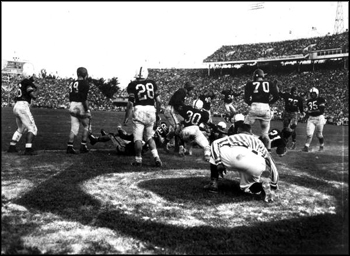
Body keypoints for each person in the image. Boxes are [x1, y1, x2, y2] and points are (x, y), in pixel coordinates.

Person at [204, 123, 279, 203]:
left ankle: (213, 183)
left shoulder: (235, 136)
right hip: (258, 164)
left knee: (215, 150)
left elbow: (215, 143)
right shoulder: (259, 142)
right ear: (251, 132)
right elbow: (271, 163)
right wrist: (274, 184)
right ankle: (262, 186)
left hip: (238, 157)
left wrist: (218, 162)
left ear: (238, 131)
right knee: (247, 187)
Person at [123, 66, 162, 167]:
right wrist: (157, 114)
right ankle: (156, 157)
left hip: (139, 110)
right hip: (151, 110)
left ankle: (138, 160)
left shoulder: (132, 84)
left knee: (138, 138)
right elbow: (159, 101)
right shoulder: (152, 83)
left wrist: (127, 117)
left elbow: (130, 104)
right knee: (149, 137)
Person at [243, 68, 280, 151]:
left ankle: (246, 146)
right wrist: (269, 102)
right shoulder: (269, 83)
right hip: (266, 108)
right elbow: (277, 96)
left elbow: (246, 98)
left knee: (245, 128)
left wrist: (251, 103)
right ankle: (268, 150)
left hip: (254, 106)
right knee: (265, 133)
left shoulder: (250, 83)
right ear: (262, 76)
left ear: (255, 76)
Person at [7, 63, 38, 155]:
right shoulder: (27, 82)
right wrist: (37, 91)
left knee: (21, 128)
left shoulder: (22, 82)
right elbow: (32, 95)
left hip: (17, 106)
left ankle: (12, 147)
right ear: (29, 75)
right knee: (33, 129)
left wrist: (35, 86)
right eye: (32, 75)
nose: (33, 76)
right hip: (23, 106)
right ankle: (28, 149)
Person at [88, 122, 169, 155]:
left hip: (126, 149)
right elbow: (163, 144)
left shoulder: (146, 132)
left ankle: (96, 139)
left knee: (113, 136)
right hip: (138, 149)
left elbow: (125, 136)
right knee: (122, 134)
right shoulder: (158, 139)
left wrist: (119, 129)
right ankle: (101, 137)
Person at [163, 81, 195, 152]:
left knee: (179, 128)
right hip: (171, 110)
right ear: (189, 88)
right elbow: (177, 102)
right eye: (191, 89)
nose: (192, 91)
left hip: (173, 110)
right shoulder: (182, 92)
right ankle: (169, 143)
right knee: (177, 128)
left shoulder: (182, 92)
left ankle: (174, 145)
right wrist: (185, 106)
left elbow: (178, 104)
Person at [66, 67, 92, 154]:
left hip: (72, 105)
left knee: (74, 127)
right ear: (85, 74)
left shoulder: (72, 83)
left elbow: (70, 96)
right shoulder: (85, 83)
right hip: (80, 105)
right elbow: (84, 99)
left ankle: (69, 147)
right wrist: (87, 110)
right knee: (87, 126)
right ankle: (83, 146)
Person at [302, 87, 327, 152]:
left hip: (319, 118)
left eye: (313, 93)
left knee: (319, 134)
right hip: (311, 118)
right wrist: (305, 117)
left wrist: (311, 112)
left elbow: (321, 111)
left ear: (317, 93)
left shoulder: (321, 99)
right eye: (311, 93)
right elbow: (308, 111)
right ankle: (306, 147)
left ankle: (321, 145)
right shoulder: (308, 101)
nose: (312, 94)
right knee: (309, 134)